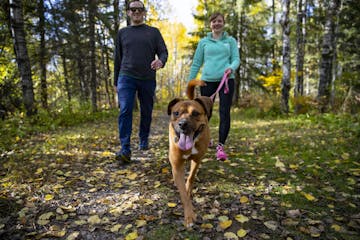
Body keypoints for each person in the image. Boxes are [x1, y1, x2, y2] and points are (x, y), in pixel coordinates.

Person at [114, 0, 168, 164]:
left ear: (144, 12)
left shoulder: (153, 32)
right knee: (125, 110)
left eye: (140, 9)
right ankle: (125, 148)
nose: (136, 12)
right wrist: (116, 81)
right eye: (133, 9)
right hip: (126, 76)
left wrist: (161, 61)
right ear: (129, 12)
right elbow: (117, 57)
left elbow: (163, 52)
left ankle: (143, 138)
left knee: (146, 110)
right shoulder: (122, 32)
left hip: (147, 78)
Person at [188, 12, 240, 161]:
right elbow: (197, 63)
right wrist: (190, 82)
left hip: (226, 80)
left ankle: (220, 146)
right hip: (207, 81)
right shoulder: (204, 42)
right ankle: (205, 138)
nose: (217, 23)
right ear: (210, 24)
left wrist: (231, 67)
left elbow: (236, 59)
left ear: (223, 23)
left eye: (219, 21)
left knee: (224, 112)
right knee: (204, 114)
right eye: (214, 21)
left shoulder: (230, 41)